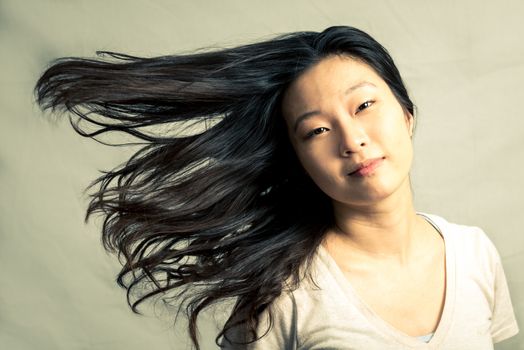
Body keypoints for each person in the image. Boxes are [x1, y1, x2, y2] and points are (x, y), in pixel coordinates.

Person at [34, 26, 519, 349]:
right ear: (299, 159)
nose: (352, 140)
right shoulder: (285, 294)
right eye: (317, 131)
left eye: (364, 106)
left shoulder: (474, 251)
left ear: (407, 115)